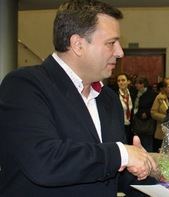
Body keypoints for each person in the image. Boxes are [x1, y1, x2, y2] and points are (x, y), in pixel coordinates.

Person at [0, 1, 156, 196]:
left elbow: (112, 172)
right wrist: (122, 154)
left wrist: (159, 186)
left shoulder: (107, 98)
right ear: (78, 44)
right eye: (111, 43)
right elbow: (44, 161)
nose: (120, 52)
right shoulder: (24, 85)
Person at [132, 76, 157, 152]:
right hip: (136, 121)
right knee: (137, 143)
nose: (136, 85)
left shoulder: (151, 94)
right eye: (135, 83)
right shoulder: (135, 93)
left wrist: (147, 113)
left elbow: (153, 107)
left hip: (146, 123)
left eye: (138, 83)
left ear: (143, 84)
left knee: (147, 144)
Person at [151, 78, 169, 152]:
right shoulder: (159, 98)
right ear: (164, 88)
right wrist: (166, 118)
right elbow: (153, 113)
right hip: (161, 133)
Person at [116, 73, 135, 144]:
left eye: (123, 80)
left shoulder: (133, 93)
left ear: (128, 82)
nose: (121, 82)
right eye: (119, 81)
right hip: (119, 126)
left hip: (130, 127)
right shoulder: (115, 95)